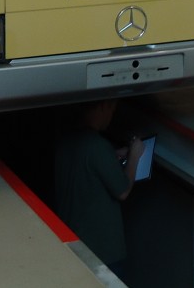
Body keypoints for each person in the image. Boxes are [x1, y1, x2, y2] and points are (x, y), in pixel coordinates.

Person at [53, 100, 144, 278]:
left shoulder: (66, 142)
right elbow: (123, 190)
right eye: (111, 109)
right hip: (104, 251)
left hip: (76, 246)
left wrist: (112, 155)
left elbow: (88, 169)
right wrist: (134, 155)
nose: (111, 116)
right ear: (103, 107)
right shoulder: (97, 145)